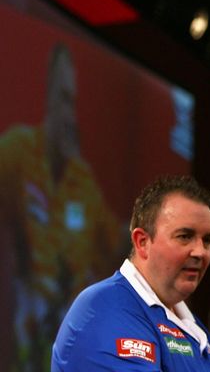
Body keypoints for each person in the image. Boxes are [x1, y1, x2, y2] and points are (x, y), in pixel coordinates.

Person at [51, 175, 210, 371]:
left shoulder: (191, 327)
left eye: (207, 240)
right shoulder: (104, 308)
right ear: (142, 242)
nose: (200, 252)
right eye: (185, 236)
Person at [0, 43, 123, 370]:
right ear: (48, 99)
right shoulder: (17, 152)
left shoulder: (84, 183)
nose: (70, 116)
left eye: (75, 104)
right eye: (64, 100)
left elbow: (118, 244)